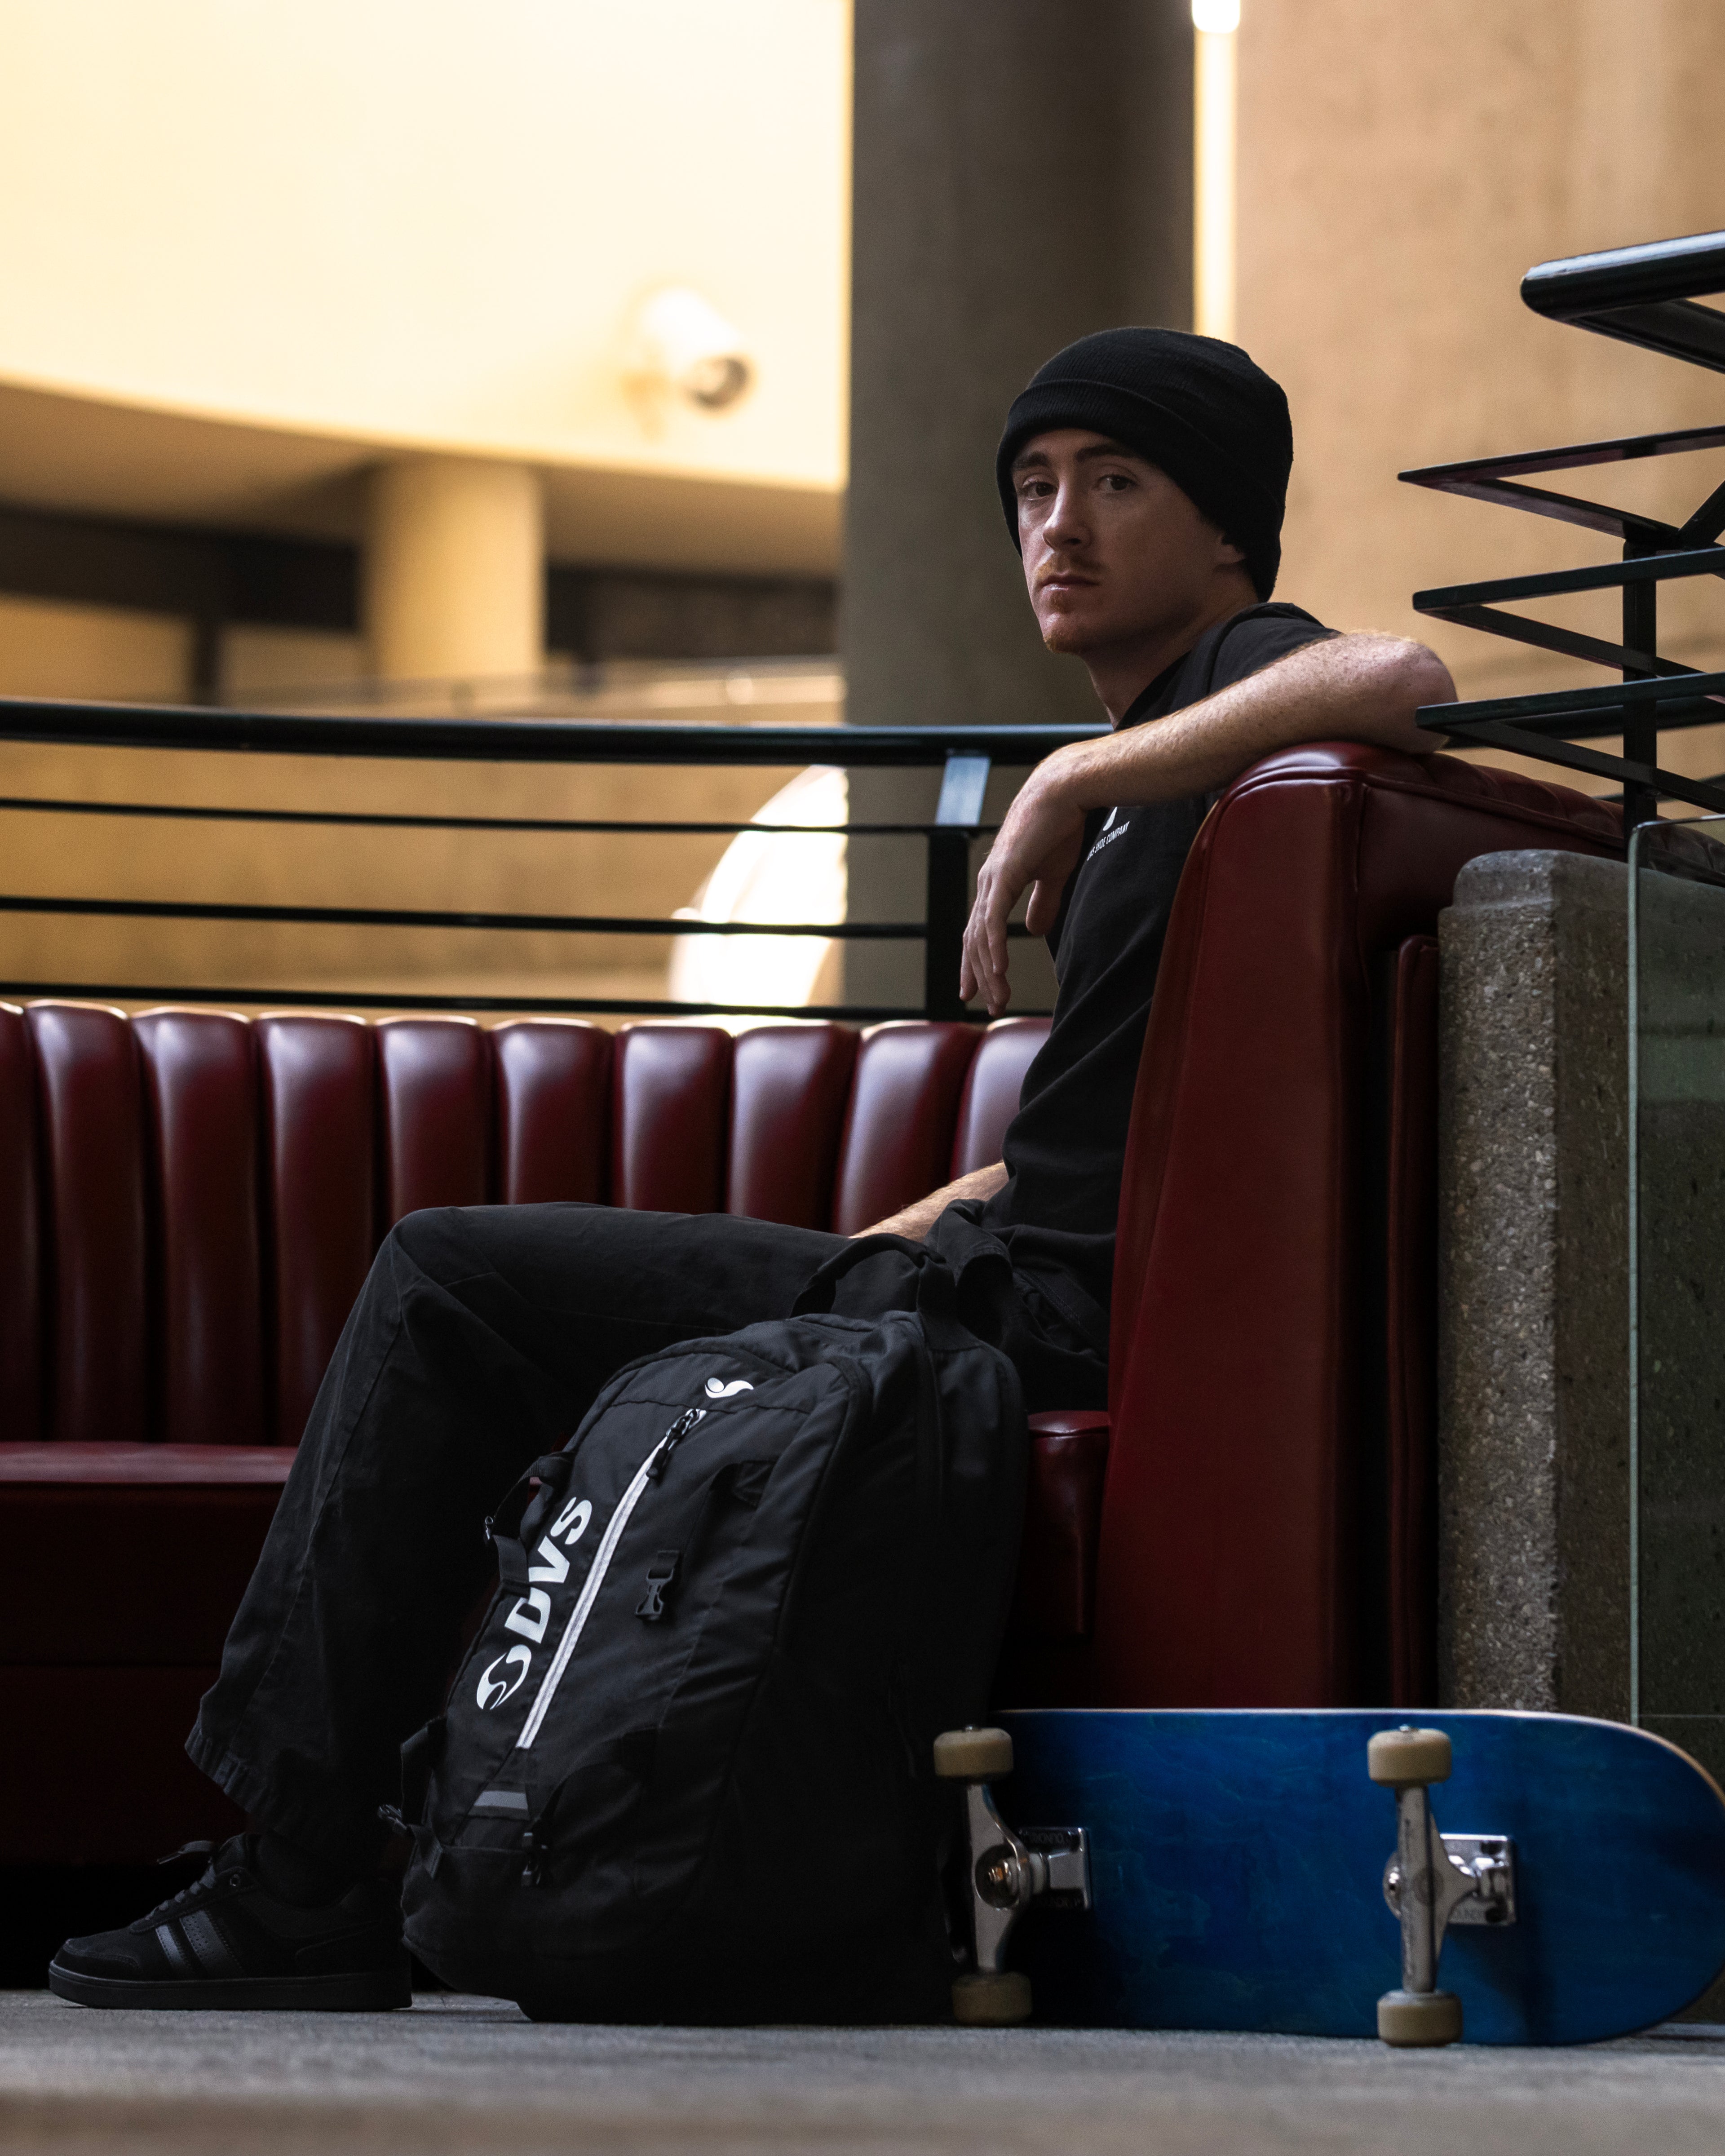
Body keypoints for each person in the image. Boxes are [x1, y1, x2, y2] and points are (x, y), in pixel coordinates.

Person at [49, 327, 1453, 2010]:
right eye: (1030, 489)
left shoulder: (1241, 684)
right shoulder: (1177, 771)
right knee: (539, 1323)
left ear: (1225, 525)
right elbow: (1083, 1148)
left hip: (1047, 1326)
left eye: (1114, 482)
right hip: (999, 1279)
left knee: (451, 1278)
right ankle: (451, 1840)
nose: (1056, 527)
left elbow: (1415, 678)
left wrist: (1077, 771)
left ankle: (298, 1877)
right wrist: (882, 1237)